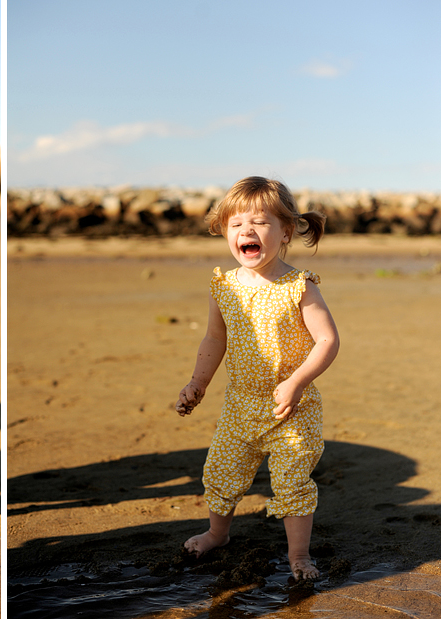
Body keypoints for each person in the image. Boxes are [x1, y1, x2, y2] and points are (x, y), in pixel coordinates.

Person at [176, 176, 340, 580]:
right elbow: (215, 338)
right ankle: (218, 533)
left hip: (292, 408)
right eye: (236, 224)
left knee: (291, 481)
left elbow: (327, 340)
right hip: (241, 403)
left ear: (286, 231)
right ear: (225, 231)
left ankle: (299, 555)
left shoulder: (298, 287)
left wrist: (298, 380)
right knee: (222, 470)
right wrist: (198, 383)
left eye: (259, 223)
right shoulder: (224, 286)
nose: (246, 231)